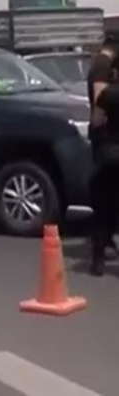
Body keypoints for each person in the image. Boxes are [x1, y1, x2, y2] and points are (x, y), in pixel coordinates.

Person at [86, 36, 119, 275]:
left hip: (107, 153)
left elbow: (96, 120)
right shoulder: (101, 65)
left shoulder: (108, 96)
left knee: (103, 207)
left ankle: (97, 259)